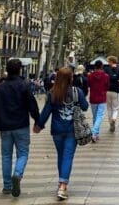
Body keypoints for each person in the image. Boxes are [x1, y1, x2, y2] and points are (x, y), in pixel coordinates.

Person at [0, 59, 40, 197]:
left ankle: (7, 186)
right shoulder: (24, 85)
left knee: (6, 155)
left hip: (4, 126)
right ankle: (17, 174)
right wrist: (37, 121)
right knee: (22, 153)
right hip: (21, 125)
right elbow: (32, 105)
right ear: (19, 70)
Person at [34, 66, 88, 201]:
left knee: (61, 155)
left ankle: (61, 182)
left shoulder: (53, 93)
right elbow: (85, 106)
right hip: (72, 130)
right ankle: (63, 185)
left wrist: (39, 125)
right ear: (71, 78)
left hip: (57, 130)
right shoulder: (77, 91)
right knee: (67, 156)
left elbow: (46, 112)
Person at [87, 60, 109, 142]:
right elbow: (107, 86)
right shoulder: (106, 76)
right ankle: (94, 132)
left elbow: (88, 85)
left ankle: (96, 134)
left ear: (95, 66)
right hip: (102, 97)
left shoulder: (90, 76)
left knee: (95, 116)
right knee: (99, 116)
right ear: (102, 66)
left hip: (93, 98)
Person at [104, 56, 119, 133]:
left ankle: (110, 124)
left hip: (107, 91)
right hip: (115, 91)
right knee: (115, 108)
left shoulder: (106, 69)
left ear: (111, 61)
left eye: (108, 61)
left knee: (109, 108)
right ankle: (114, 118)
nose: (108, 62)